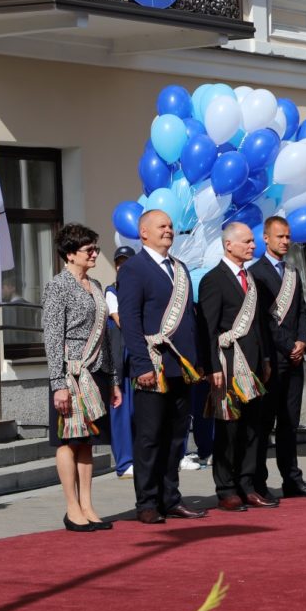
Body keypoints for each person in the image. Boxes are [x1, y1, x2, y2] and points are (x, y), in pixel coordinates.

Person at [117, 209, 208, 524]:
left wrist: (197, 361)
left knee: (176, 436)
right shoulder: (134, 269)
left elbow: (190, 320)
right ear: (144, 232)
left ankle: (171, 498)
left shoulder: (179, 269)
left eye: (170, 226)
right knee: (150, 437)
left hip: (181, 368)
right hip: (153, 366)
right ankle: (147, 502)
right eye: (162, 226)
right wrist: (141, 363)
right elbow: (130, 320)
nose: (169, 230)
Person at [42, 224, 122, 532]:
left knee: (88, 440)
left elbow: (105, 336)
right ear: (70, 254)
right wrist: (58, 384)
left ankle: (87, 505)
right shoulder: (57, 286)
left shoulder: (96, 285)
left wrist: (113, 379)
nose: (95, 254)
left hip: (97, 372)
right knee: (68, 440)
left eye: (95, 249)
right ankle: (72, 507)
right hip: (71, 375)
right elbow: (52, 337)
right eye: (89, 250)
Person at [248, 215, 306, 498]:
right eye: (279, 236)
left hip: (295, 359)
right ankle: (258, 481)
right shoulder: (255, 273)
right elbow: (264, 319)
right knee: (264, 423)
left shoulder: (293, 272)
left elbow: (303, 310)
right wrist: (288, 345)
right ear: (266, 238)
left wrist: (303, 340)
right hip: (271, 359)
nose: (285, 241)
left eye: (287, 236)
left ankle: (292, 479)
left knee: (289, 423)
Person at [199, 222, 272, 511]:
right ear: (228, 245)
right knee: (229, 428)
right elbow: (208, 327)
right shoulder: (213, 279)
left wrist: (265, 358)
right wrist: (211, 367)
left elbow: (259, 324)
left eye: (253, 241)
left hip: (254, 365)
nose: (253, 246)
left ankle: (247, 485)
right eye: (247, 241)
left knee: (253, 428)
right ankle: (226, 488)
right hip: (227, 364)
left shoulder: (251, 279)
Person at [104, 245, 136, 478]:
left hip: (137, 357)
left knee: (138, 412)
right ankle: (124, 462)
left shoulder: (140, 288)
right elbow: (121, 319)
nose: (122, 267)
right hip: (119, 359)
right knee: (121, 410)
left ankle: (138, 458)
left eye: (126, 263)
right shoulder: (111, 291)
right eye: (119, 263)